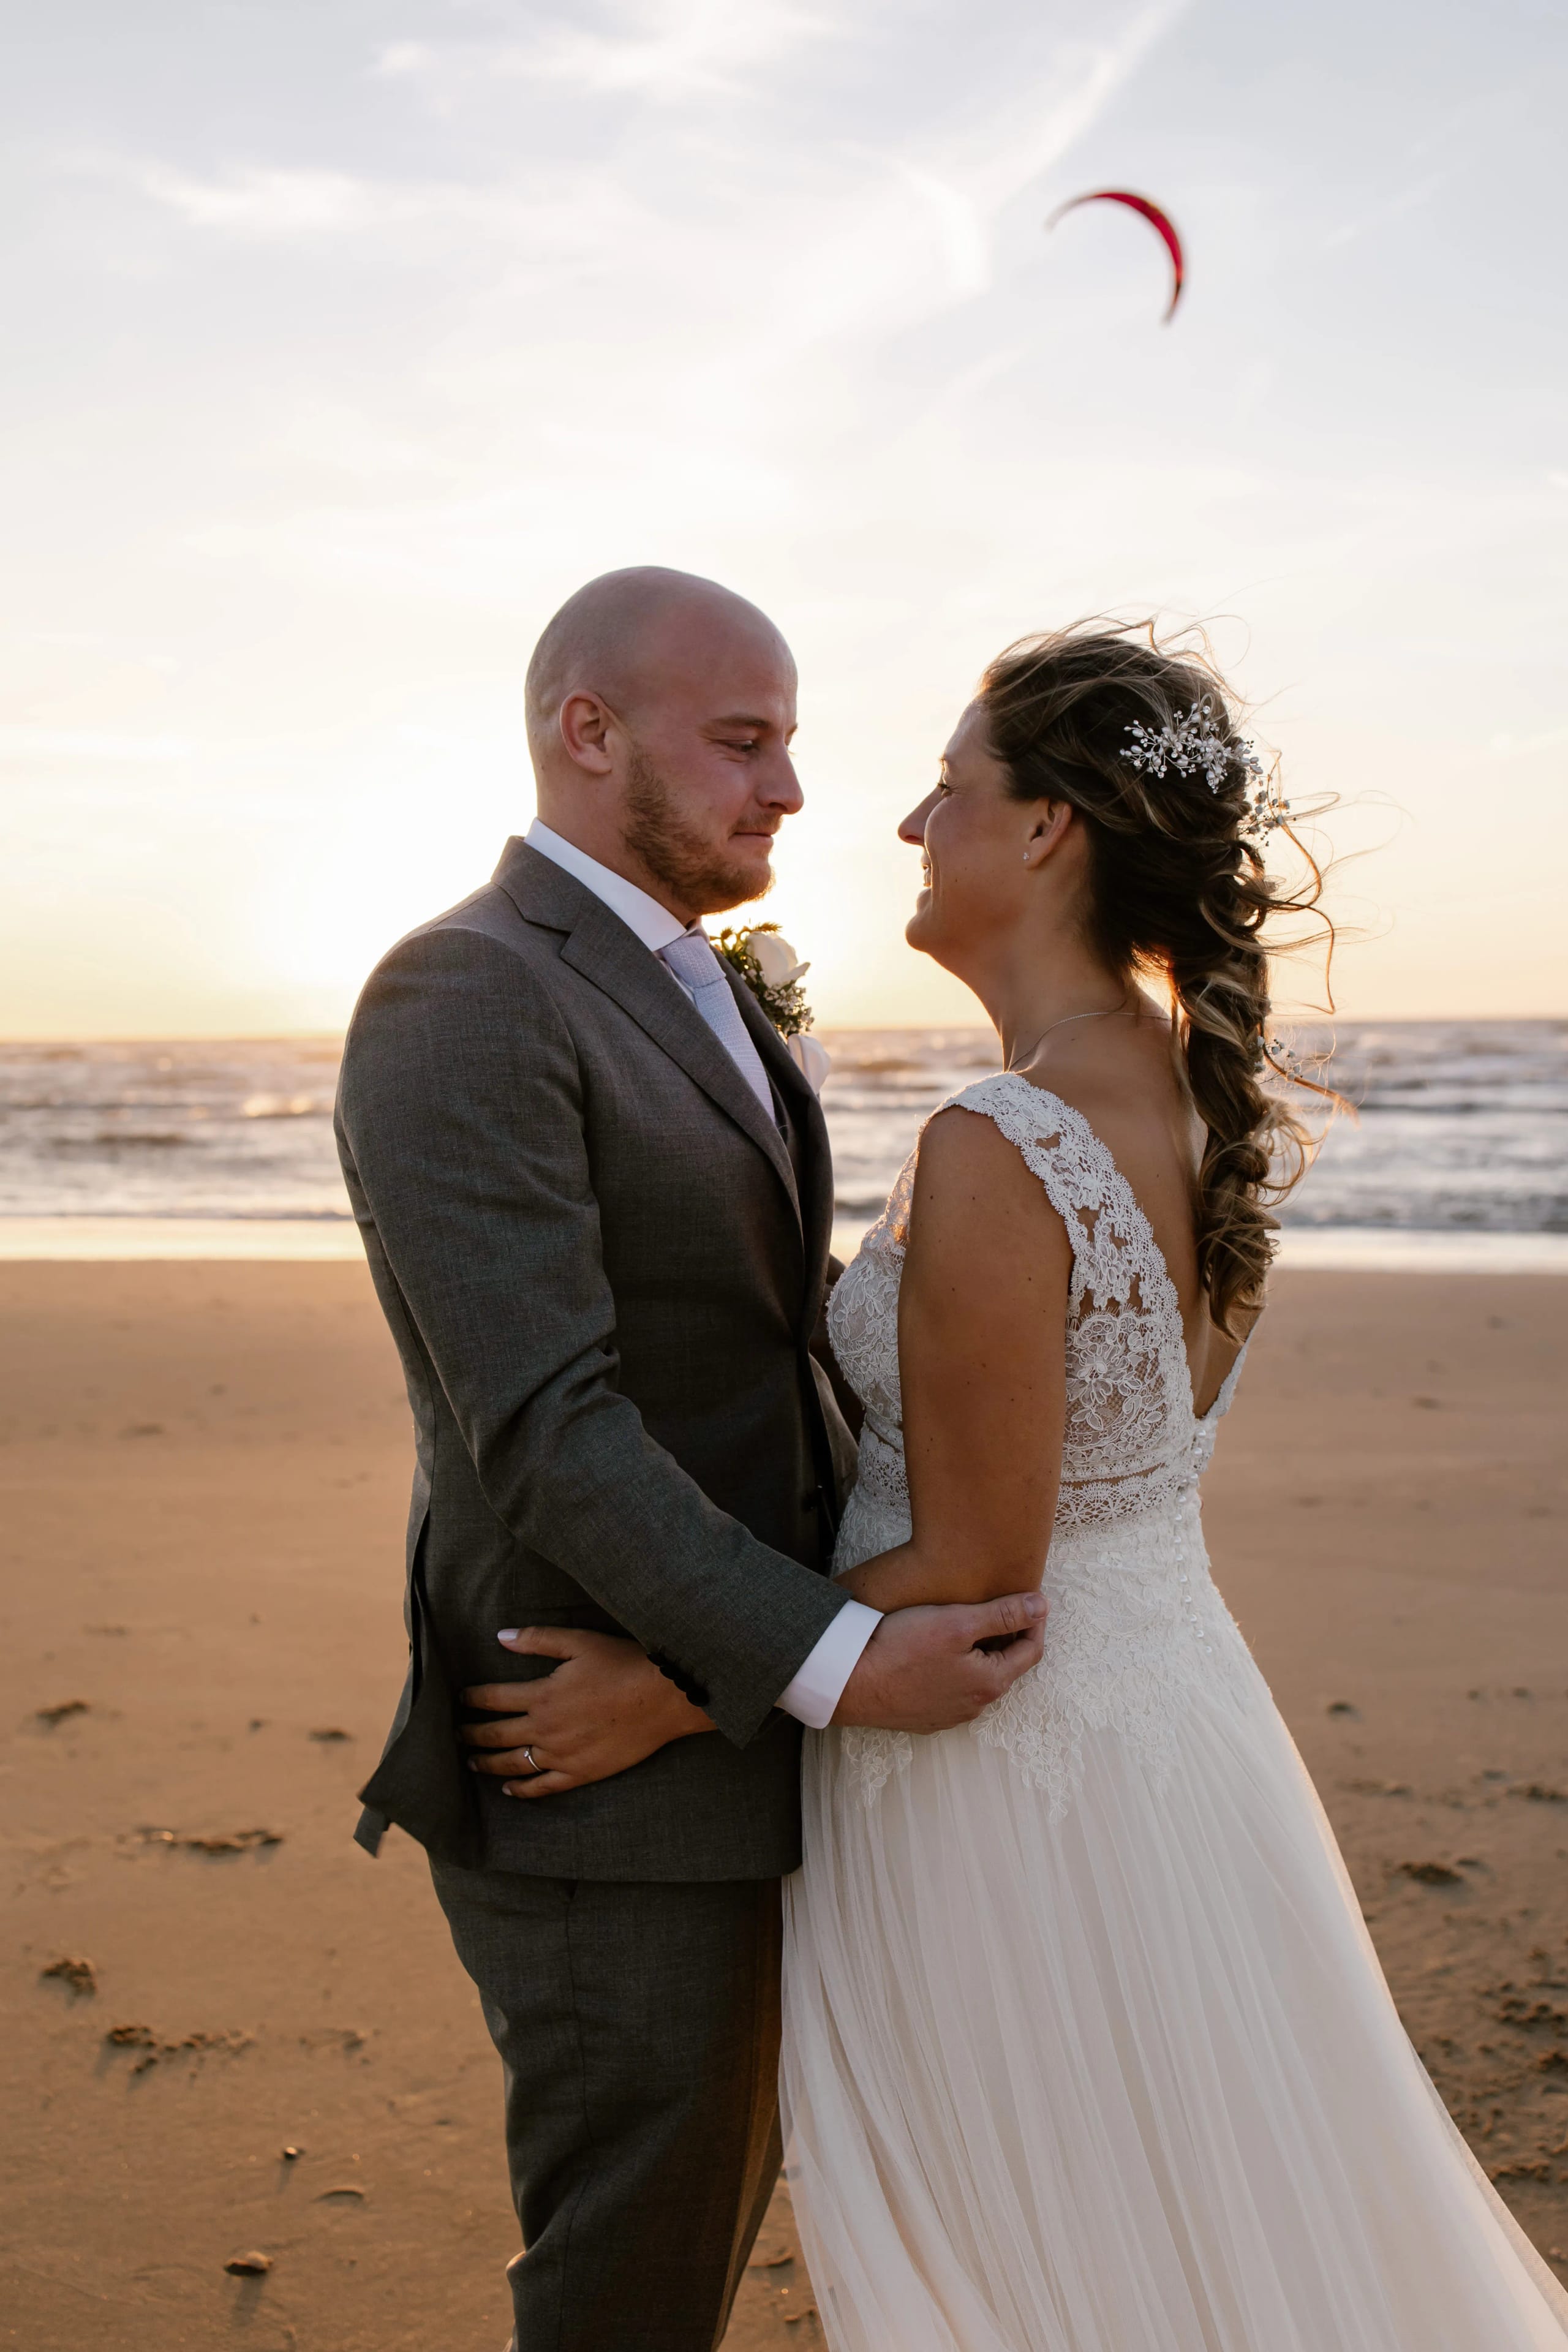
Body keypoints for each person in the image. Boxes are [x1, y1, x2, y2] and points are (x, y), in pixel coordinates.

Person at [526, 618, 1568, 2350]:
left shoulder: (1006, 1144)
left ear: (1045, 831)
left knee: (1057, 2263)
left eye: (949, 788)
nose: (908, 827)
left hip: (1006, 1781)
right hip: (1167, 1733)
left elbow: (978, 1556)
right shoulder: (1189, 1104)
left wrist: (683, 1687)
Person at [333, 565, 1047, 2352]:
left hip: (706, 1704)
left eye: (789, 741)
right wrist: (835, 1663)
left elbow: (766, 1348)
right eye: (743, 742)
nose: (791, 789)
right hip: (595, 1779)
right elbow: (551, 1425)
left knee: (709, 2214)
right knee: (633, 2273)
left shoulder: (696, 980)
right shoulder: (468, 992)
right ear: (588, 733)